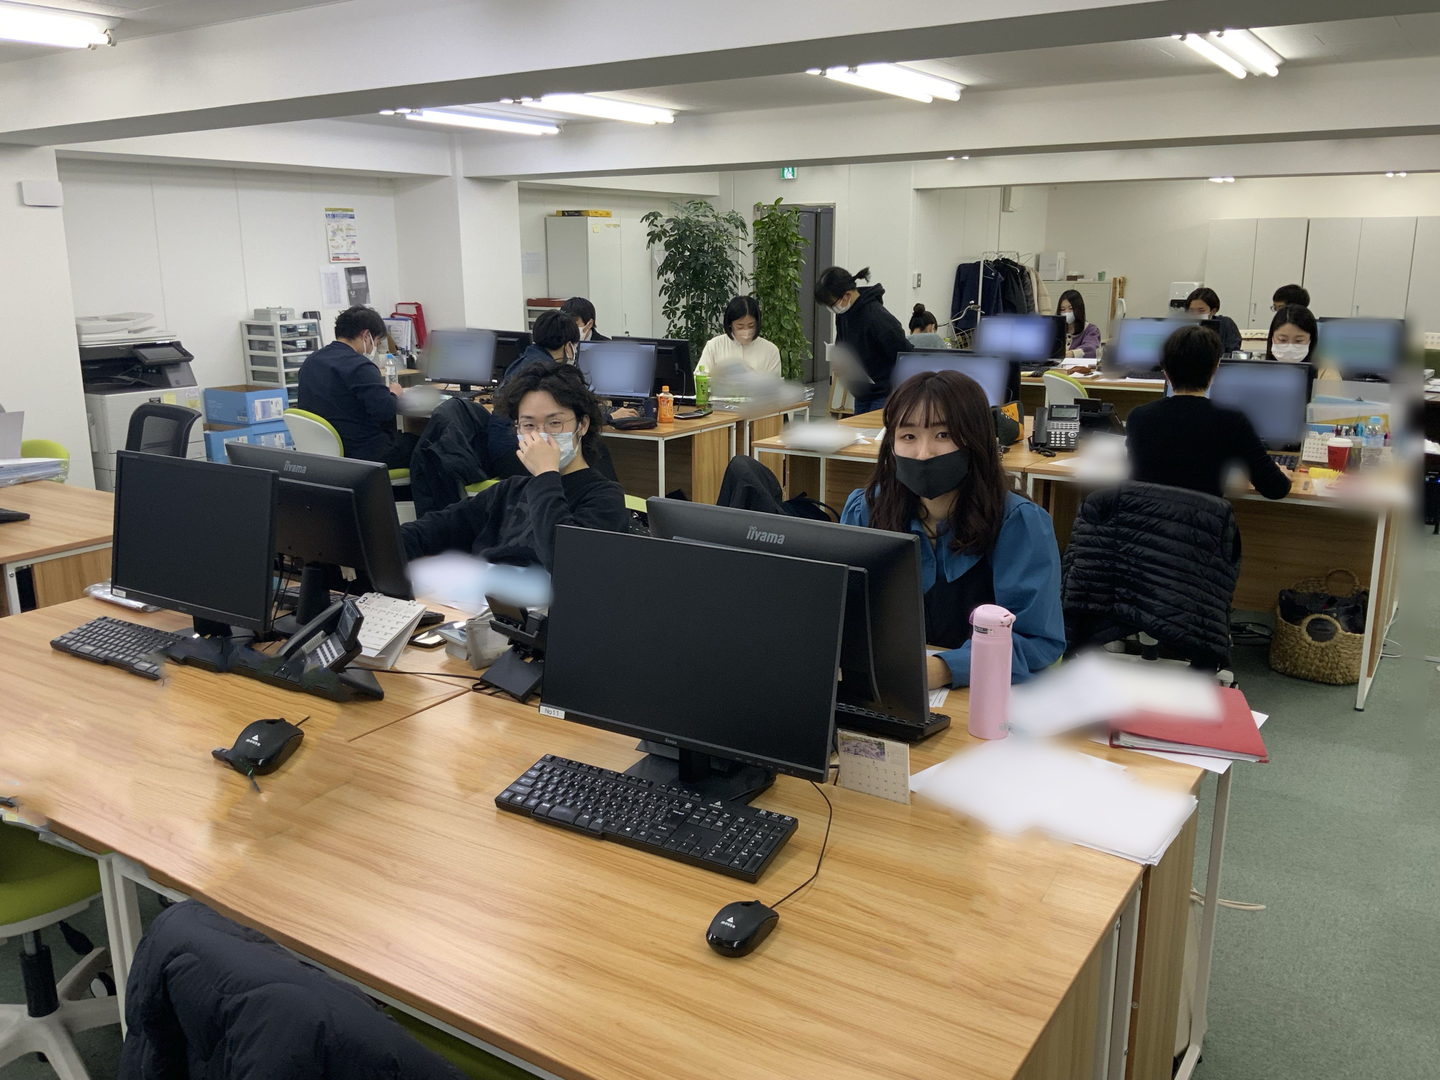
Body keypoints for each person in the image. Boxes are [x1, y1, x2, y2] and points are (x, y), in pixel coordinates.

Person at [840, 370, 1065, 689]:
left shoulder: (1018, 524)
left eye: (943, 435)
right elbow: (845, 614)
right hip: (890, 685)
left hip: (988, 689)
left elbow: (1035, 639)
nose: (924, 453)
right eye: (908, 436)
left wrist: (944, 669)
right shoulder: (866, 510)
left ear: (975, 439)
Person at [402, 361, 629, 570]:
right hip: (483, 596)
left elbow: (563, 560)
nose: (540, 436)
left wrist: (546, 473)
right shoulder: (508, 491)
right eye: (528, 425)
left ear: (583, 425)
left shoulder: (604, 498)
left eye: (554, 423)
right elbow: (436, 528)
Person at [1127, 324, 1291, 501]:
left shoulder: (1138, 417)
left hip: (1143, 518)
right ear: (1215, 368)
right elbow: (1275, 489)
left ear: (1165, 371)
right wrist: (1282, 473)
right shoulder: (1231, 421)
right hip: (1202, 519)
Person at [297, 305, 416, 469]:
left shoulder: (312, 361)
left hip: (324, 451)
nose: (375, 348)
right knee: (425, 445)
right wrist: (394, 394)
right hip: (362, 451)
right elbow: (385, 411)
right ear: (366, 335)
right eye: (377, 342)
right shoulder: (360, 366)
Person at [814, 265, 909, 414]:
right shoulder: (844, 314)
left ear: (847, 295)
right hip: (862, 393)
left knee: (875, 429)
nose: (832, 309)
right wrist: (841, 364)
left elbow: (904, 354)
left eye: (832, 304)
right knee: (860, 428)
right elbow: (843, 346)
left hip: (884, 394)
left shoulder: (877, 317)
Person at [698, 295, 782, 375]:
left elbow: (774, 383)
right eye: (740, 326)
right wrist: (718, 374)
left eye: (751, 326)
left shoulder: (770, 350)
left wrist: (754, 377)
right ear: (730, 324)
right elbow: (698, 378)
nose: (746, 331)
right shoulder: (714, 345)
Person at [1185, 287, 1242, 354]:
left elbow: (1233, 351)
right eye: (1192, 311)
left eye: (1201, 311)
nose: (1195, 314)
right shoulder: (1184, 326)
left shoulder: (1225, 324)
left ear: (1213, 311)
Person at [1057, 289, 1101, 358]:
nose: (1066, 312)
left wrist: (1071, 354)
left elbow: (1091, 348)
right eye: (1062, 309)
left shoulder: (1091, 330)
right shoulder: (1056, 329)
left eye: (1071, 308)